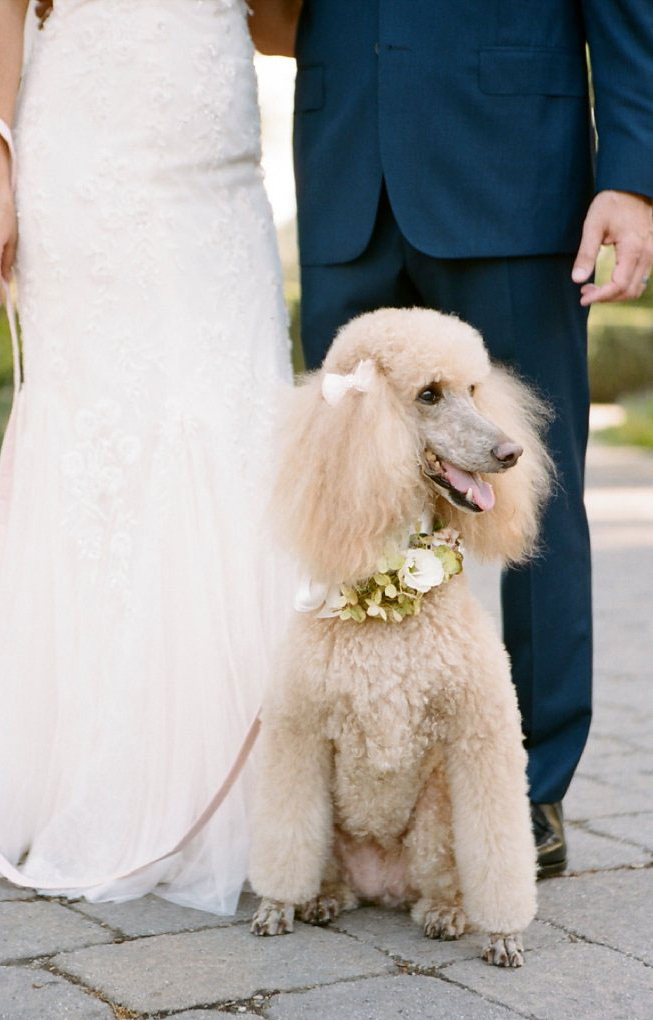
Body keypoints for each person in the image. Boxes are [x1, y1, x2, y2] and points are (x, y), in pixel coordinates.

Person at [262, 1, 653, 875]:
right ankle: (367, 783)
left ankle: (530, 786)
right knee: (345, 494)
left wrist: (632, 176)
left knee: (532, 495)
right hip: (346, 162)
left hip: (512, 164)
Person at [0, 0, 293, 912]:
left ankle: (265, 789)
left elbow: (281, 26)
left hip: (218, 178)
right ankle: (96, 772)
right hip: (89, 160)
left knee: (240, 431)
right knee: (104, 451)